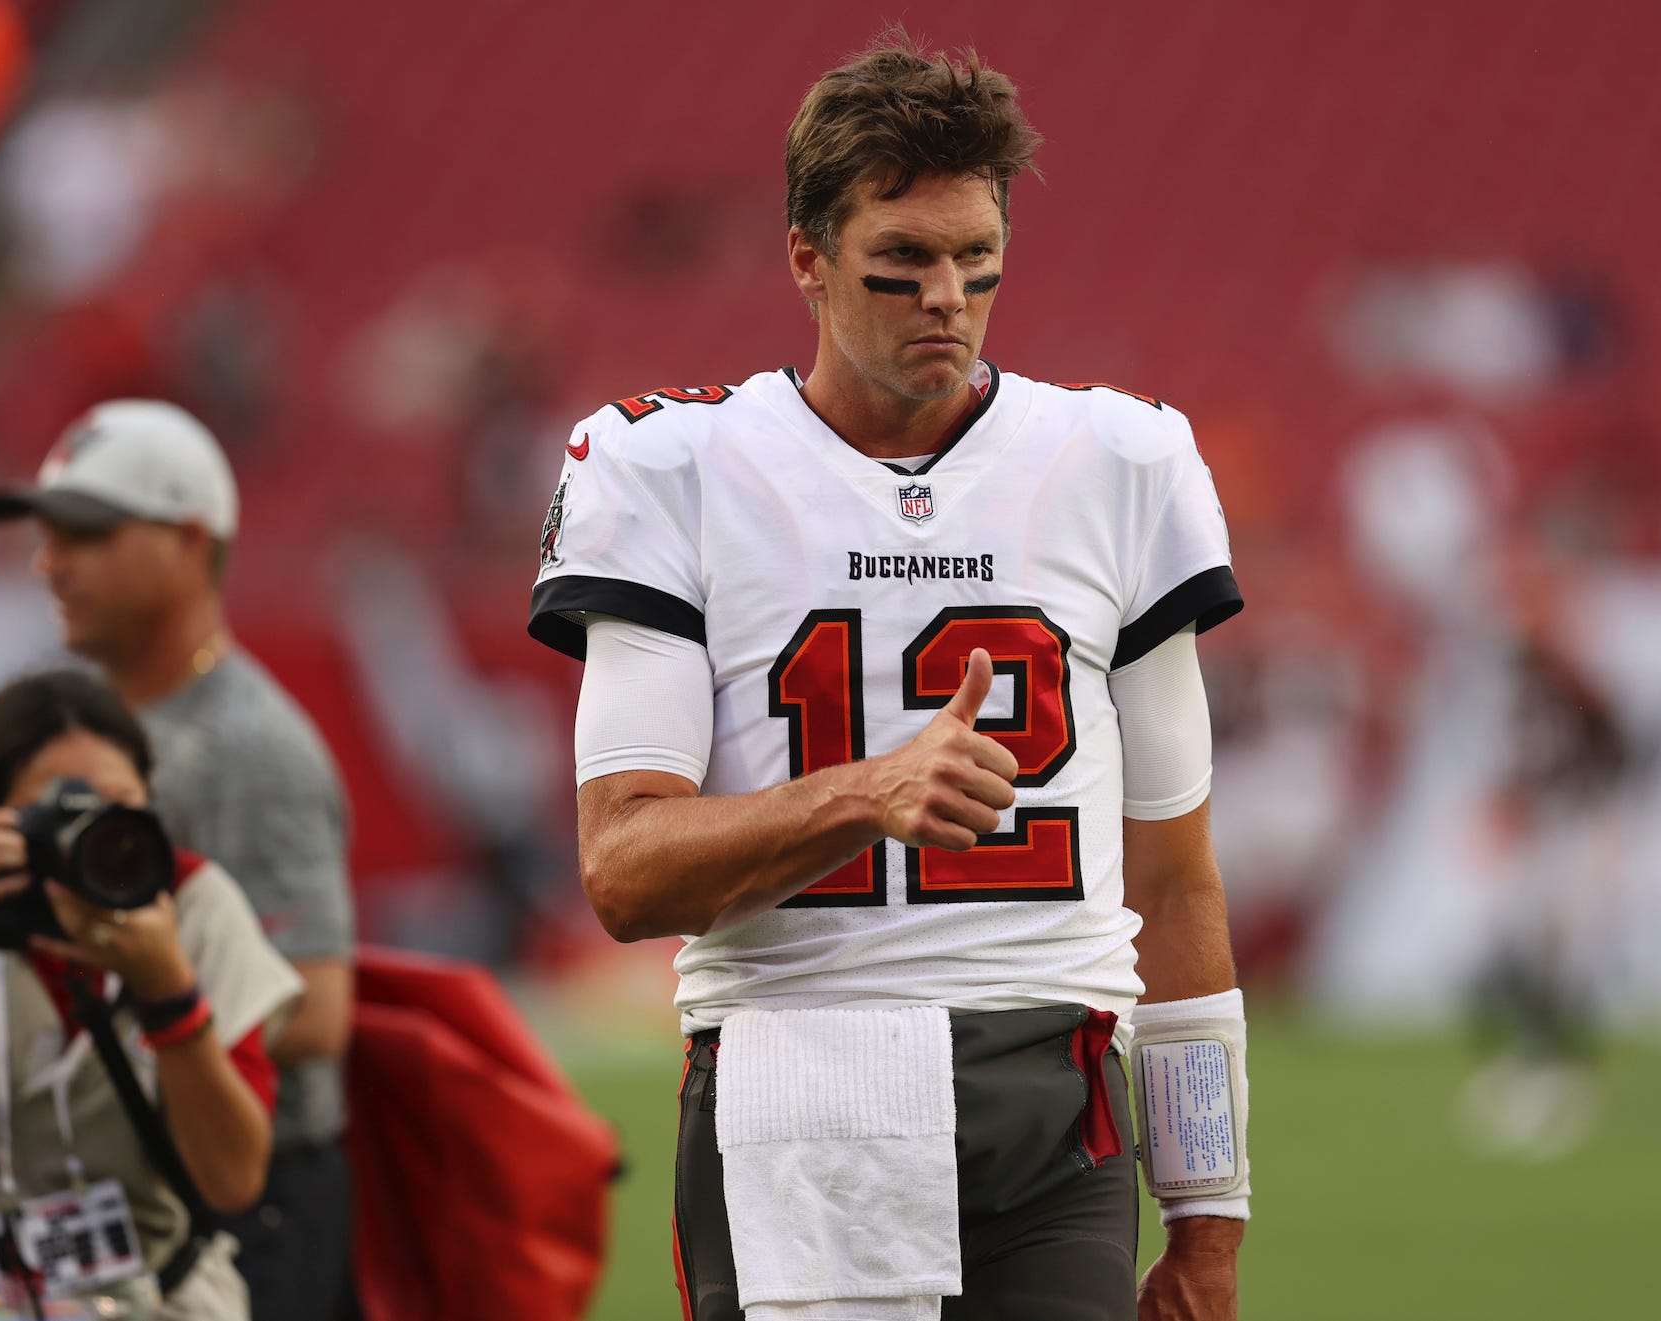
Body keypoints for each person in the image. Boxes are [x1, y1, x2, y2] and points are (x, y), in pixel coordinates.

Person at [528, 33, 1251, 1321]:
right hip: (796, 1078)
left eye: (977, 267)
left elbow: (1175, 874)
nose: (947, 302)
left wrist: (1209, 1209)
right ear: (807, 260)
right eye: (900, 266)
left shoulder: (1121, 462)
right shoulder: (670, 469)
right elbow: (624, 872)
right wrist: (864, 792)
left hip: (1055, 1077)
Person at [0, 401, 358, 1320]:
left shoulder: (244, 743)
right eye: (47, 535)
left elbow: (315, 1006)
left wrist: (157, 981)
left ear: (189, 542)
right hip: (119, 1189)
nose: (49, 562)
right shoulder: (85, 719)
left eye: (87, 534)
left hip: (246, 1199)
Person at [0, 669, 302, 1318]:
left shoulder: (195, 906)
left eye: (119, 806)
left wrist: (169, 993)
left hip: (160, 1294)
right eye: (61, 813)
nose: (94, 836)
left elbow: (231, 1182)